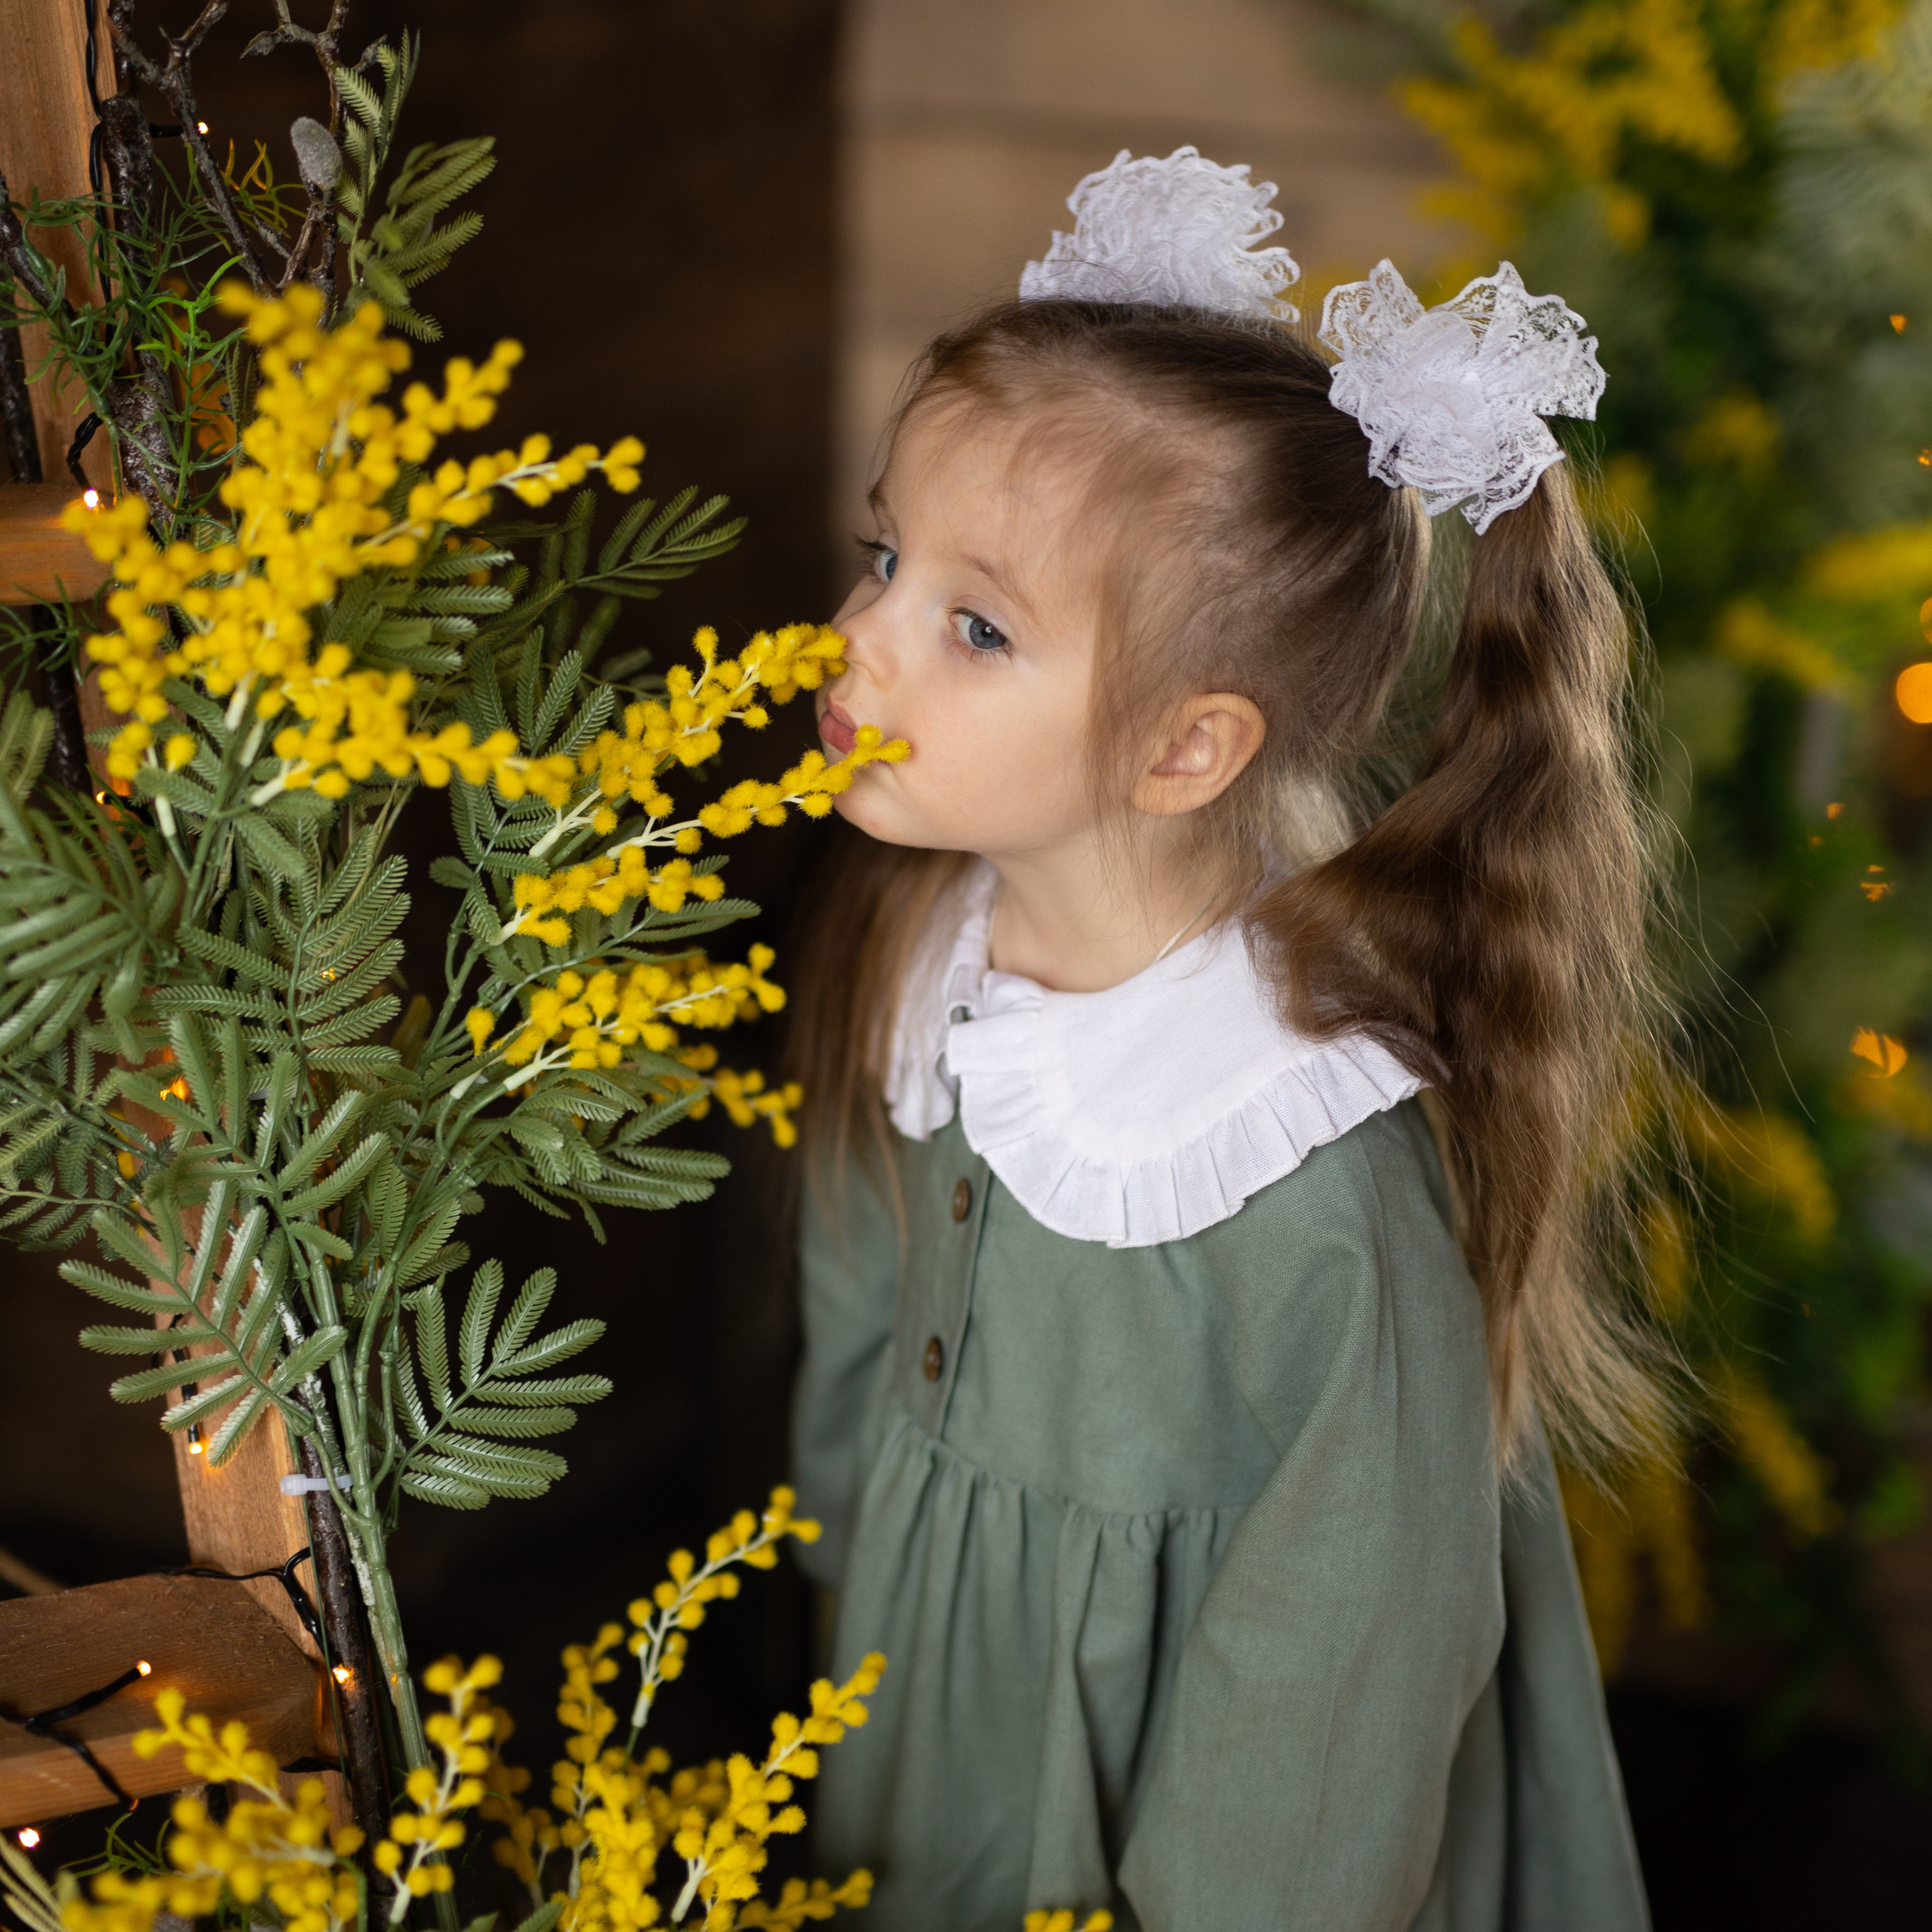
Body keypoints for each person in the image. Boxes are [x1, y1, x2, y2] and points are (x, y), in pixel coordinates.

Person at [786, 147, 1658, 1932]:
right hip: (931, 1736)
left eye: (970, 624)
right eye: (882, 553)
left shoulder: (1301, 1164)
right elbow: (854, 1364)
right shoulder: (917, 946)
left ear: (1185, 749)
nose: (857, 640)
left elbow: (1335, 1690)